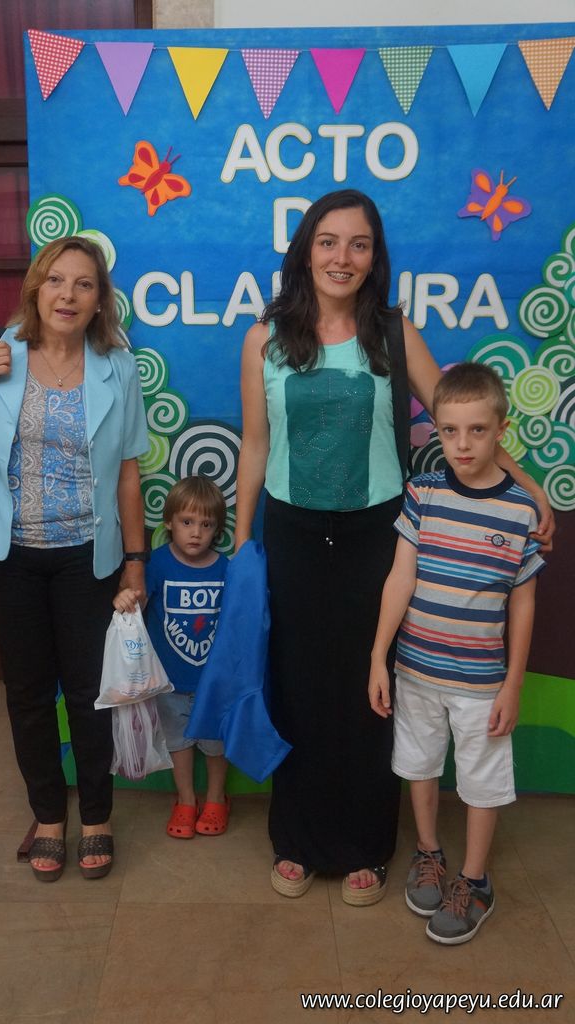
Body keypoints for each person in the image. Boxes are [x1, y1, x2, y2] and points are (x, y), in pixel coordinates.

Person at [234, 189, 553, 903]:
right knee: (297, 685)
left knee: (370, 692)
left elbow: (455, 414)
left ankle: (366, 846)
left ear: (375, 257)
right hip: (290, 534)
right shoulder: (264, 338)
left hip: (377, 536)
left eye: (359, 244)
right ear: (305, 251)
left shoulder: (393, 332)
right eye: (328, 241)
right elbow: (255, 445)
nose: (342, 257)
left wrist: (529, 486)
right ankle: (297, 840)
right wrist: (242, 545)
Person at [0, 236, 149, 882]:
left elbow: (128, 473)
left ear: (99, 300)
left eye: (83, 284)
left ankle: (96, 817)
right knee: (27, 693)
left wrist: (135, 562)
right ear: (35, 288)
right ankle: (48, 816)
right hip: (9, 556)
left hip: (88, 558)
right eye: (55, 280)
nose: (67, 295)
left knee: (90, 694)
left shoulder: (117, 367)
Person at [368, 362, 544, 943]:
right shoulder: (424, 494)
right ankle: (428, 852)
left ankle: (474, 880)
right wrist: (378, 657)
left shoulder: (520, 511)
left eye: (477, 430)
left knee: (481, 782)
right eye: (449, 431)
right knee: (419, 765)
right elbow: (400, 579)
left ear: (501, 431)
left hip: (481, 683)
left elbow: (522, 606)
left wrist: (513, 684)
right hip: (416, 670)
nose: (462, 444)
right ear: (437, 431)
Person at [115, 476, 231, 839]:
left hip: (214, 684)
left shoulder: (226, 568)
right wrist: (123, 598)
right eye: (187, 522)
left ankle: (216, 798)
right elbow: (134, 605)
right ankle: (186, 800)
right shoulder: (157, 564)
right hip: (169, 680)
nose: (196, 532)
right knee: (178, 744)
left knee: (216, 745)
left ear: (217, 529)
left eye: (206, 524)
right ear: (169, 522)